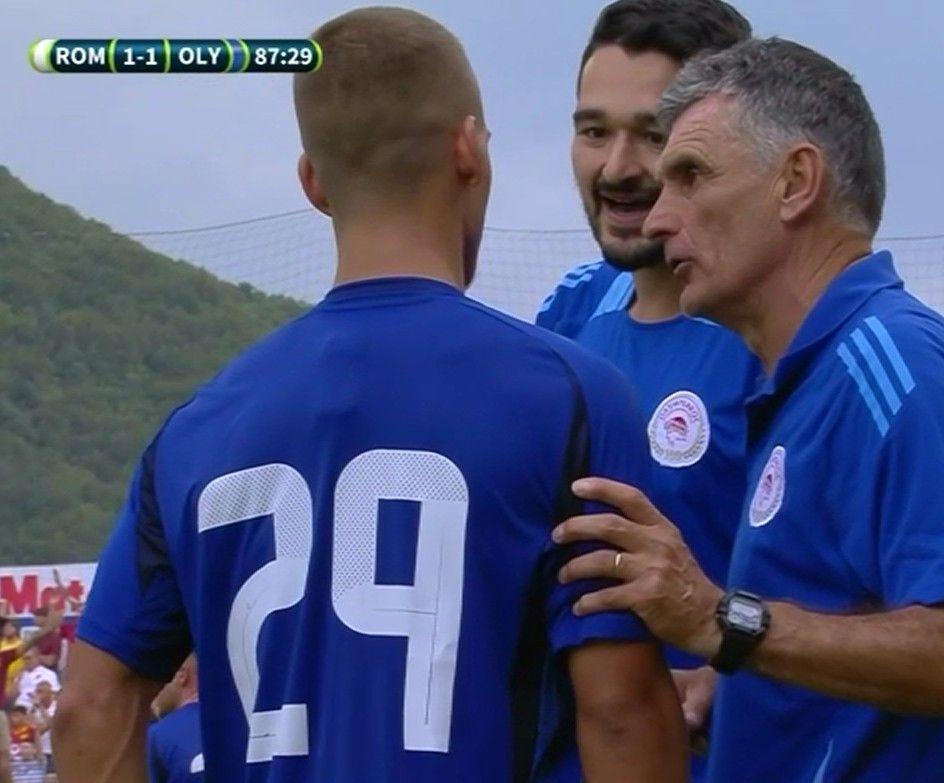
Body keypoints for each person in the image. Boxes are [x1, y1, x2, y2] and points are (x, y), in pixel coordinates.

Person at [53, 8, 686, 783]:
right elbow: (620, 711)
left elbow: (88, 707)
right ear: (468, 149)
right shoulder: (571, 394)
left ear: (313, 181)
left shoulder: (194, 429)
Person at [552, 37, 944, 781]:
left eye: (690, 176)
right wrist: (743, 688)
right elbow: (857, 626)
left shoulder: (894, 368)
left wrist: (719, 619)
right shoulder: (806, 379)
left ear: (795, 182)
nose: (658, 217)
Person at [534, 0, 753, 772]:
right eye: (594, 131)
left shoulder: (776, 330)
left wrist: (737, 668)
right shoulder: (570, 310)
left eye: (652, 135)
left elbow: (865, 587)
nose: (617, 167)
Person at [146, 655, 202, 783]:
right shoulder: (240, 723)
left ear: (180, 674)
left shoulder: (158, 736)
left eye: (156, 676)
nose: (151, 687)